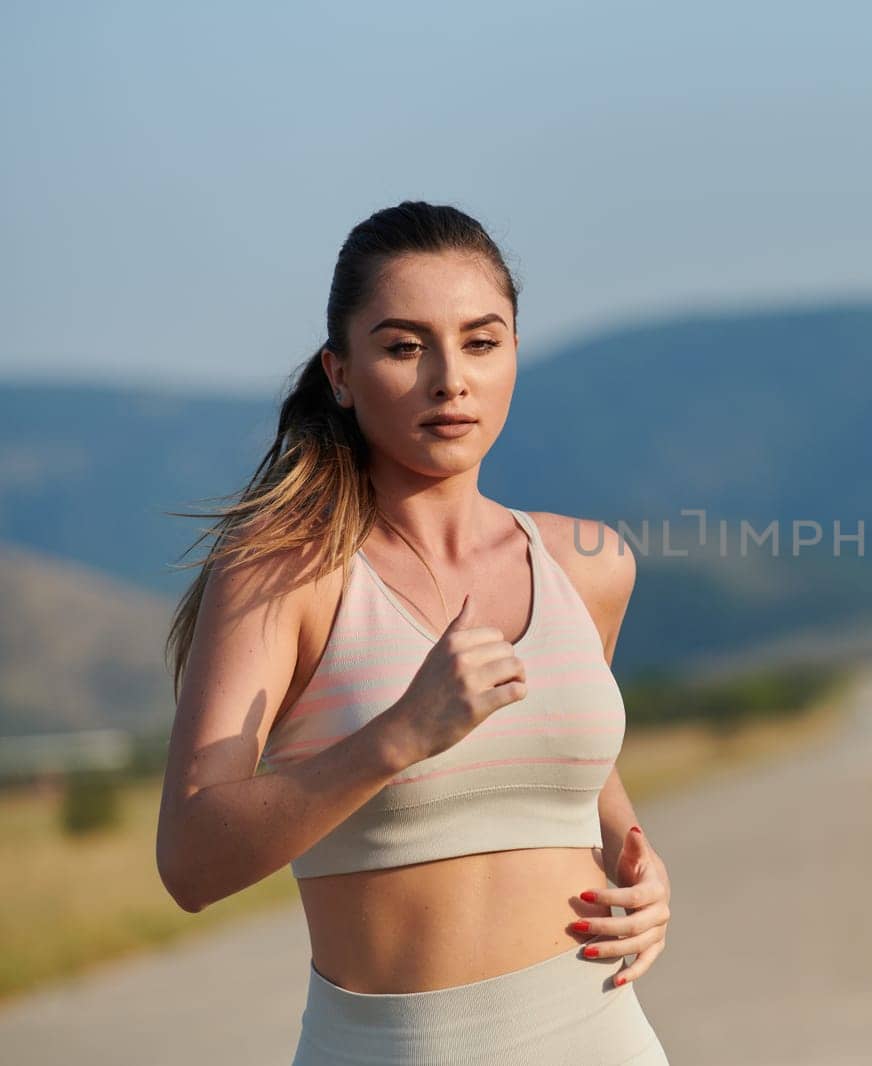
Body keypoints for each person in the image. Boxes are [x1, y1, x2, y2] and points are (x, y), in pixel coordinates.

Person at [155, 200, 672, 1064]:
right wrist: (397, 736)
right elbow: (190, 863)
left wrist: (640, 868)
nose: (449, 379)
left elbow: (576, 769)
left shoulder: (590, 564)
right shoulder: (282, 574)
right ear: (342, 372)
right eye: (404, 346)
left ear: (514, 356)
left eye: (481, 341)